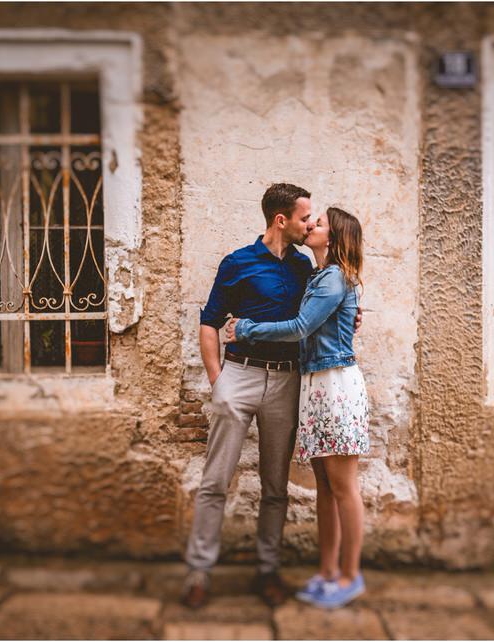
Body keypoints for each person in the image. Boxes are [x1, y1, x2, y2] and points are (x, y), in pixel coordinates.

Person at [224, 206, 369, 610]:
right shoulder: (320, 276)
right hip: (317, 384)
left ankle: (349, 575)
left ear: (335, 237)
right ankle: (326, 573)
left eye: (318, 223)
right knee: (326, 487)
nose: (310, 225)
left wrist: (245, 327)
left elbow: (301, 327)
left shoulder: (334, 278)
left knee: (344, 488)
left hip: (335, 384)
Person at [182, 183, 315, 610]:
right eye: (303, 217)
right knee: (214, 482)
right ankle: (199, 573)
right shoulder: (237, 263)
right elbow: (210, 322)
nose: (308, 224)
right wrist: (218, 379)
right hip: (238, 377)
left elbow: (319, 313)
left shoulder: (304, 266)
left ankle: (267, 570)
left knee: (276, 486)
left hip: (286, 382)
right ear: (282, 220)